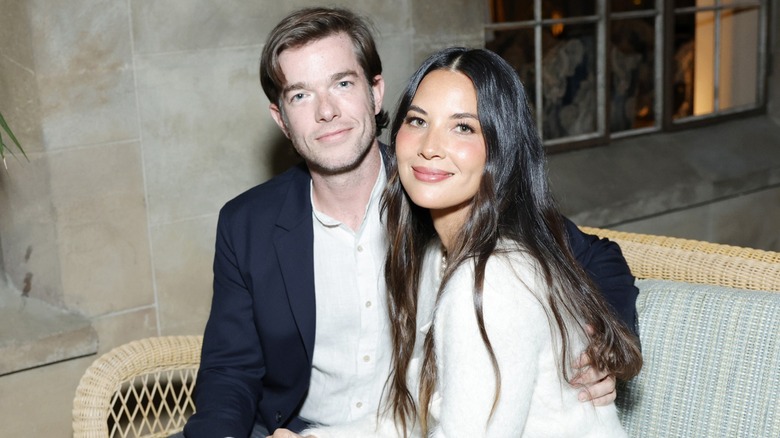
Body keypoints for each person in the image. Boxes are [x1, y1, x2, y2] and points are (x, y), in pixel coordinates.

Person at [181, 7, 639, 438]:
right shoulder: (248, 223)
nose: (326, 111)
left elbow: (593, 256)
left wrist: (602, 348)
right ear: (281, 118)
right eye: (301, 94)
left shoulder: (435, 190)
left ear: (375, 92)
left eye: (342, 84)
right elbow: (229, 371)